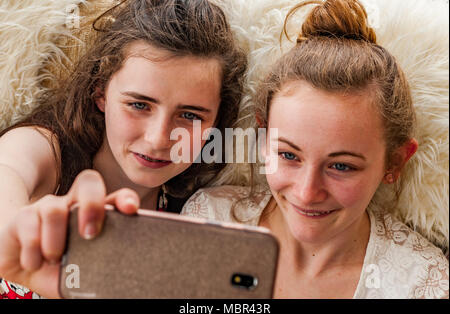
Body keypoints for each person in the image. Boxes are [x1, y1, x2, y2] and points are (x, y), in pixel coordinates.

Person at [181, 0, 449, 298]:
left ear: (395, 162)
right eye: (289, 155)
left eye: (342, 166)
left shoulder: (423, 284)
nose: (307, 193)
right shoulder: (209, 220)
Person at [0, 0, 247, 298]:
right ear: (100, 91)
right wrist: (15, 230)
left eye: (190, 116)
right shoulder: (44, 149)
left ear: (216, 122)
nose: (158, 139)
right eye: (139, 105)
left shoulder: (198, 212)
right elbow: (7, 171)